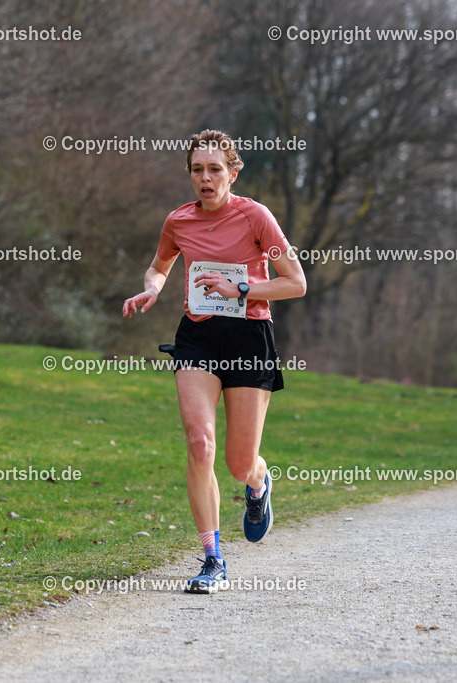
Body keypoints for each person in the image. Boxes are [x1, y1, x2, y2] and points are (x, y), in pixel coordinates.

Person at [122, 129, 306, 594]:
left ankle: (259, 484)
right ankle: (212, 559)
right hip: (198, 337)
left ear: (233, 172)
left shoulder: (256, 217)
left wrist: (242, 288)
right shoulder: (178, 221)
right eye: (197, 170)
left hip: (249, 337)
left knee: (238, 462)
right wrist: (153, 288)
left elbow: (295, 282)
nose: (205, 179)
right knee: (200, 443)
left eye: (214, 169)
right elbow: (160, 265)